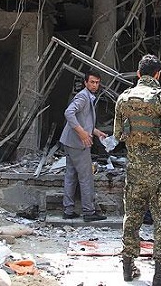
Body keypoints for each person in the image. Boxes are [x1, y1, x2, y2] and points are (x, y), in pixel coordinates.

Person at [114, 54, 161, 286]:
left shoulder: (124, 98)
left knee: (132, 216)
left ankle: (128, 267)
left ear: (138, 74)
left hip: (135, 170)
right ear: (158, 74)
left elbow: (117, 134)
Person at [58, 71, 107, 222]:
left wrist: (95, 132)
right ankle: (89, 211)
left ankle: (68, 210)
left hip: (70, 142)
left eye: (97, 82)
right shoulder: (83, 97)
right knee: (86, 177)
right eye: (92, 82)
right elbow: (69, 113)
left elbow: (83, 119)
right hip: (78, 143)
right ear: (86, 83)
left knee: (71, 176)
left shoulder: (87, 97)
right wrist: (82, 133)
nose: (94, 85)